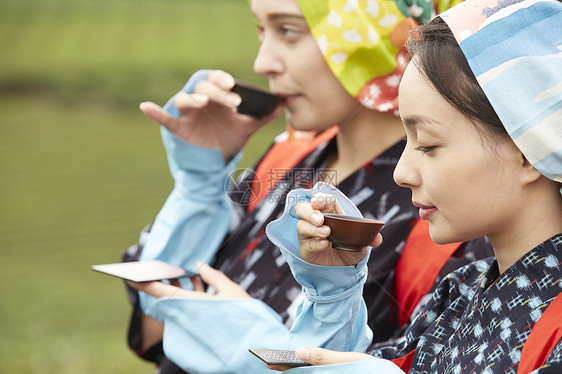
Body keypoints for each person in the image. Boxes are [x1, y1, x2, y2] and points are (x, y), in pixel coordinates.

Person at [123, 0, 492, 373]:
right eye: (262, 31)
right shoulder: (287, 157)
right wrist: (199, 182)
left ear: (371, 34)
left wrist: (263, 354)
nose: (262, 62)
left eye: (289, 30)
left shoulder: (443, 215)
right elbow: (153, 324)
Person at [264, 0, 562, 371]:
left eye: (429, 145)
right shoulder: (457, 294)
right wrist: (334, 297)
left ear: (527, 148)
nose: (401, 172)